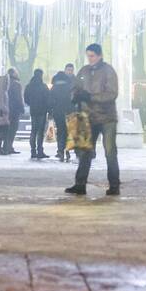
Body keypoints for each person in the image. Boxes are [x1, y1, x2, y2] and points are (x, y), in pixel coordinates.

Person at [66, 43, 120, 196]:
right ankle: (80, 184)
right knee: (84, 151)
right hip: (88, 117)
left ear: (99, 55)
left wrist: (90, 97)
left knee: (110, 152)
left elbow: (112, 93)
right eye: (88, 56)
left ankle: (114, 185)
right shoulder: (84, 71)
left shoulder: (108, 71)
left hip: (106, 118)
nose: (89, 59)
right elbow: (75, 87)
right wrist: (75, 96)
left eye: (92, 56)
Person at [24, 68, 51, 160]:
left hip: (33, 111)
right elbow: (48, 99)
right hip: (42, 111)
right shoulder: (43, 86)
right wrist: (48, 109)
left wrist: (31, 104)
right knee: (40, 132)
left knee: (33, 131)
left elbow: (26, 99)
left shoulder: (29, 86)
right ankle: (40, 150)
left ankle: (33, 151)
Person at [50, 64, 75, 162]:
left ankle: (60, 151)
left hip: (57, 112)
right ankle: (67, 151)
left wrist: (51, 111)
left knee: (60, 130)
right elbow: (72, 100)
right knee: (68, 131)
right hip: (68, 112)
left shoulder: (54, 88)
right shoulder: (68, 88)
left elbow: (50, 101)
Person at [5, 68, 24, 155]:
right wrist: (22, 108)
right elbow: (19, 98)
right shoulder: (16, 84)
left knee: (7, 129)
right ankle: (9, 147)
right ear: (13, 74)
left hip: (7, 108)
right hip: (15, 110)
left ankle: (5, 146)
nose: (18, 73)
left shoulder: (6, 84)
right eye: (16, 72)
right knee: (13, 129)